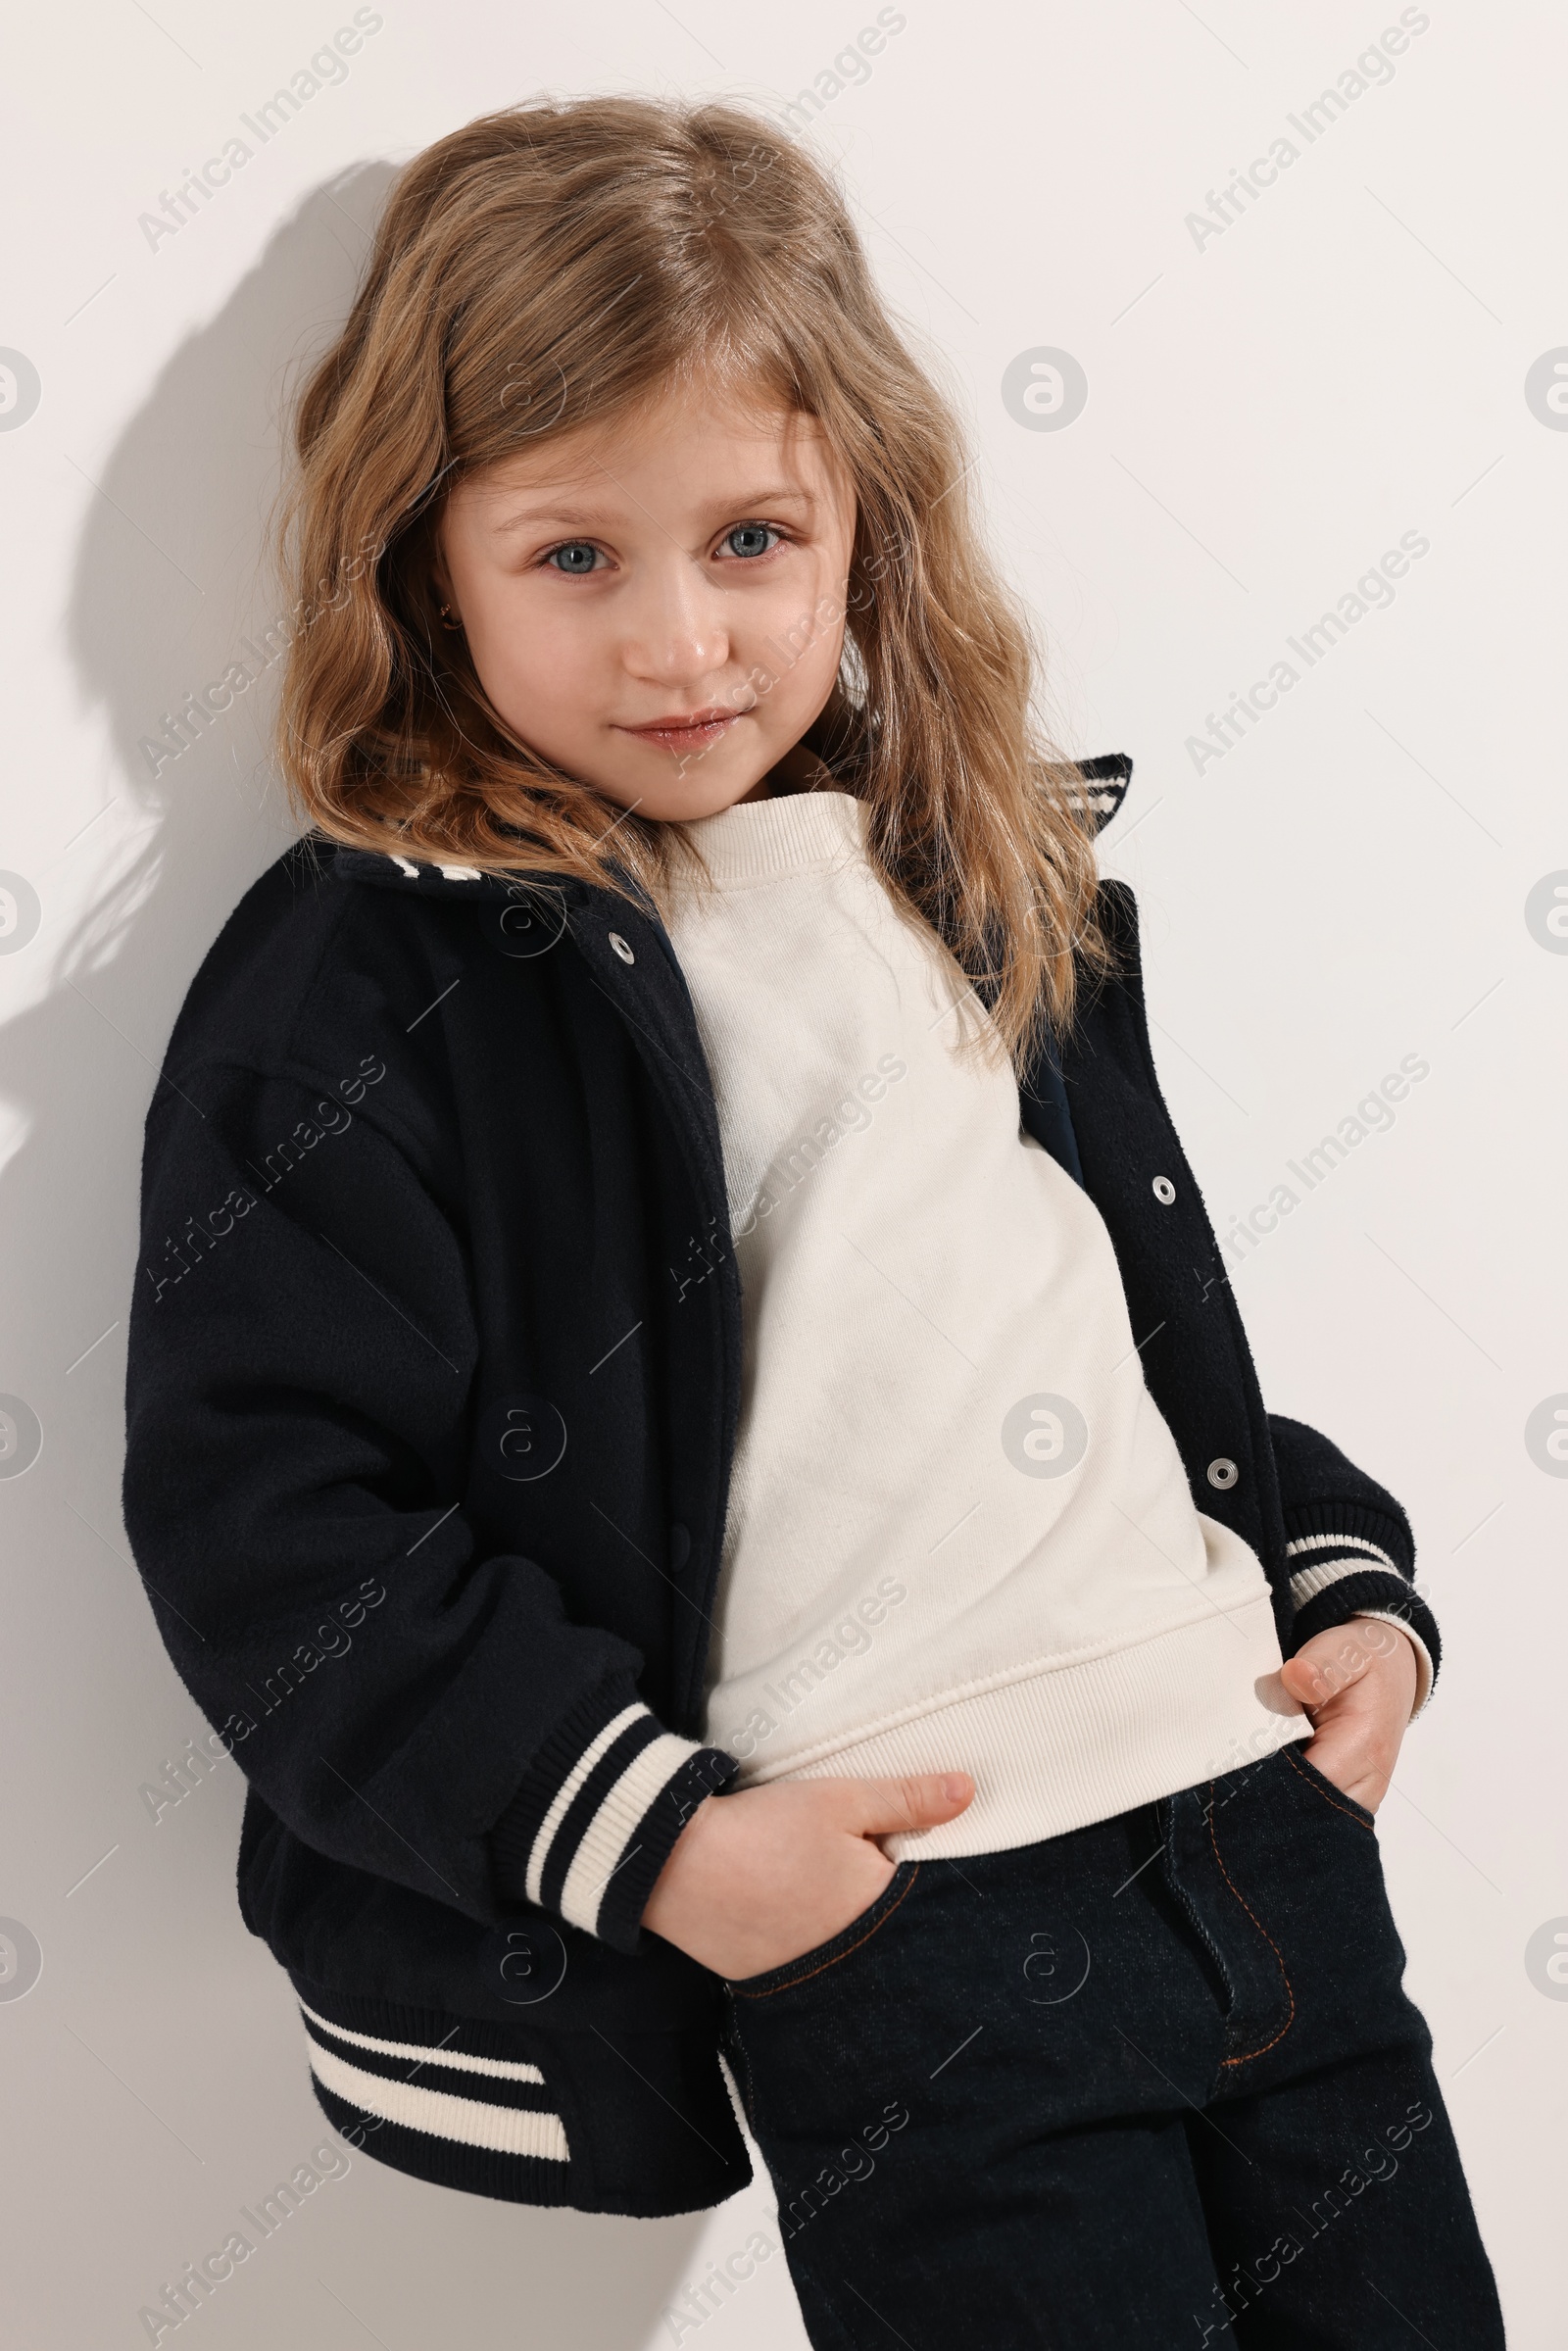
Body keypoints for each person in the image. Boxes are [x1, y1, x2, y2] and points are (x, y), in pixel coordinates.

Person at [122, 96, 1505, 2346]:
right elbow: (270, 1526)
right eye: (574, 555)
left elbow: (1068, 1341)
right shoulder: (385, 972)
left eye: (751, 536)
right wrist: (668, 1847)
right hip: (915, 1924)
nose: (683, 642)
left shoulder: (953, 862)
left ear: (861, 517)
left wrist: (1341, 1581)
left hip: (1256, 1828)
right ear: (423, 559)